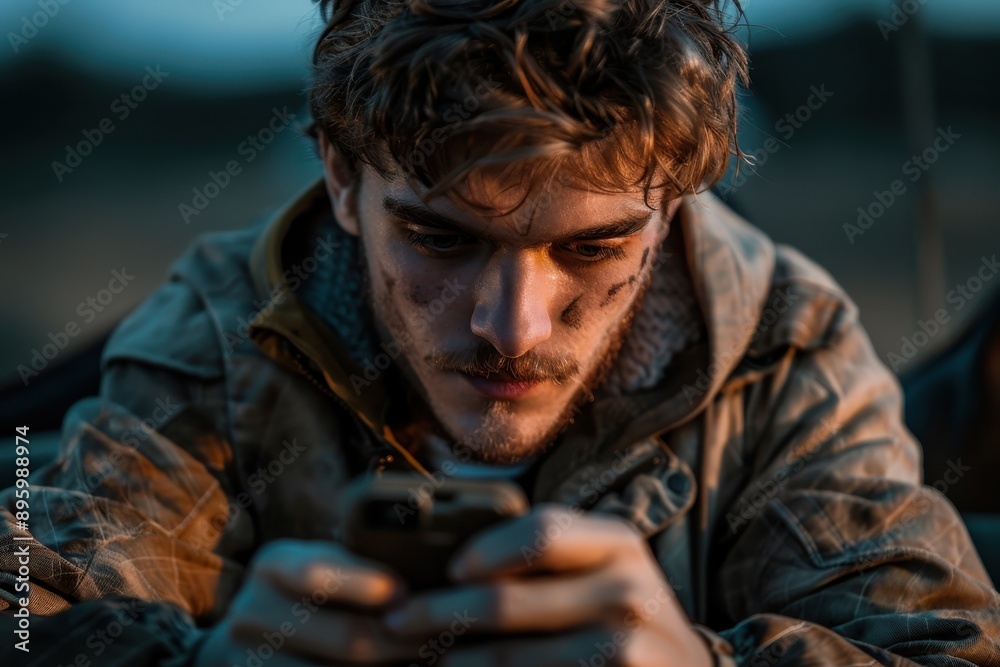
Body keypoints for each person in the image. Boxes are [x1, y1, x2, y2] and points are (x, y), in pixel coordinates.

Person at [2, 0, 999, 665]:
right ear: (343, 182)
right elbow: (20, 612)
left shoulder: (786, 346)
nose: (509, 328)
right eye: (440, 238)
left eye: (594, 247)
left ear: (672, 206)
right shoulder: (220, 326)